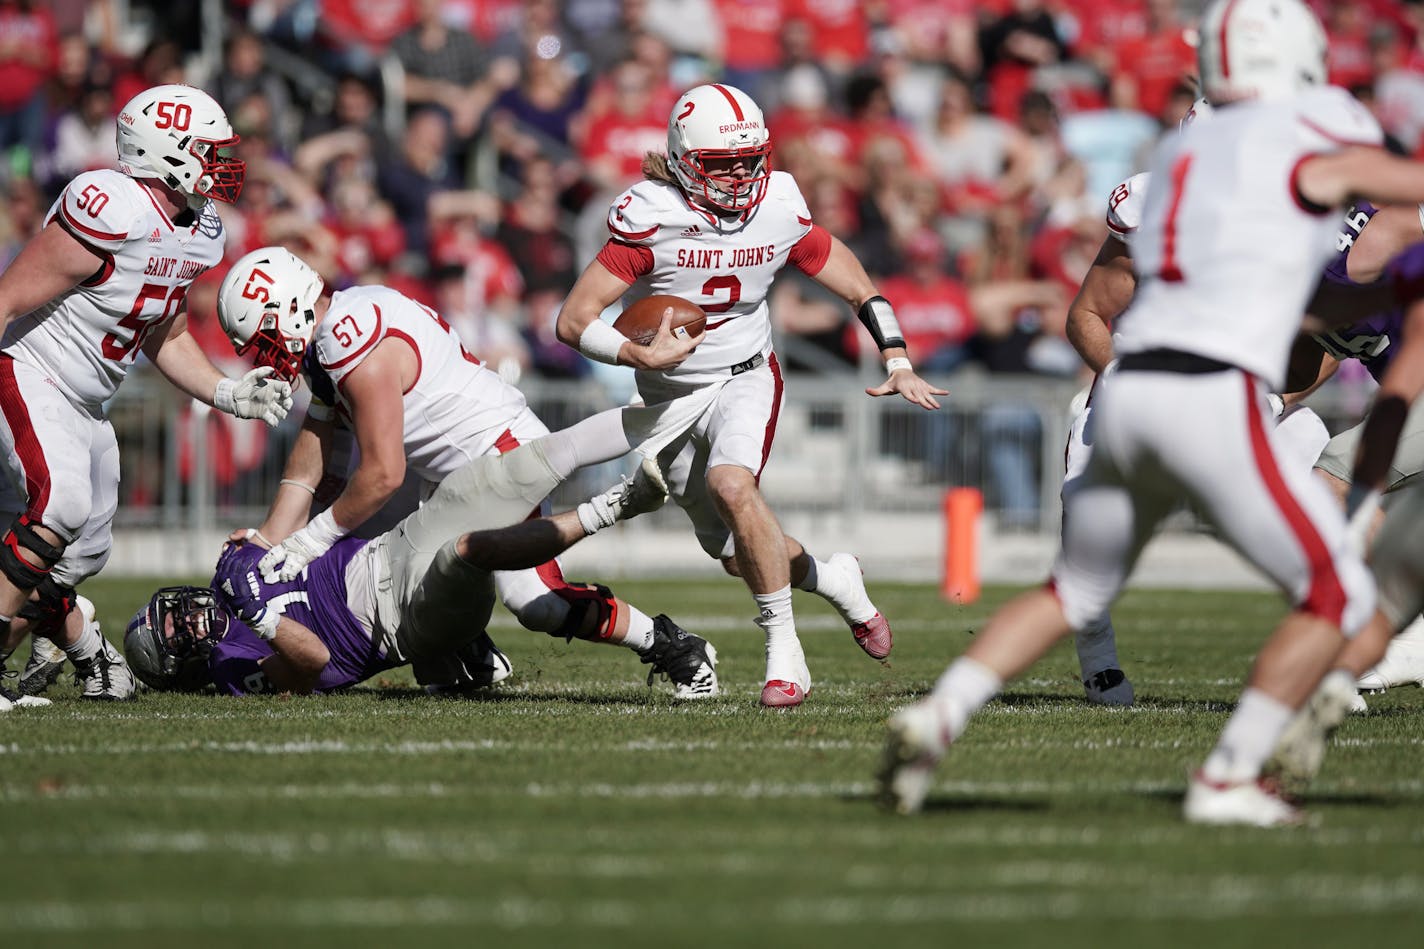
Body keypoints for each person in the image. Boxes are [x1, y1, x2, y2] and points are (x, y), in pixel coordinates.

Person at [879, 0, 1424, 826]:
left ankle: (941, 711)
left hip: (1125, 392)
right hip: (1214, 390)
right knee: (1340, 593)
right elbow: (1391, 195)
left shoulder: (1177, 160)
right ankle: (1229, 773)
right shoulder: (1303, 137)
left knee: (1075, 588)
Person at [554, 82, 946, 707]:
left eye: (748, 158)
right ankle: (834, 577)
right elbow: (574, 320)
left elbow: (856, 285)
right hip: (668, 398)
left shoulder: (780, 204)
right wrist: (635, 352)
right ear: (685, 158)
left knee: (733, 485)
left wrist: (896, 356)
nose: (739, 175)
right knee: (740, 555)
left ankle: (785, 656)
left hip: (745, 374)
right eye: (721, 163)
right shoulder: (651, 215)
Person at [215, 246, 718, 698]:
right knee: (409, 590)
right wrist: (268, 543)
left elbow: (383, 474)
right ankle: (471, 655)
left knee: (535, 601)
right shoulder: (339, 329)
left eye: (263, 336)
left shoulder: (347, 341)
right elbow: (312, 468)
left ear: (289, 307)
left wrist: (309, 541)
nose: (265, 353)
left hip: (494, 449)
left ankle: (672, 645)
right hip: (452, 475)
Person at [0, 84, 292, 709]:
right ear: (168, 151)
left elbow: (165, 330)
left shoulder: (199, 230)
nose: (222, 164)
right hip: (29, 369)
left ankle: (82, 645)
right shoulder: (109, 204)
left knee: (82, 552)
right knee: (62, 505)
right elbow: (9, 297)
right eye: (210, 150)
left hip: (86, 400)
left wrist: (226, 391)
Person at [124, 431, 690, 697]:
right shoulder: (230, 672)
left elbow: (268, 542)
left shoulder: (228, 586)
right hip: (399, 619)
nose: (187, 617)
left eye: (172, 612)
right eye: (174, 631)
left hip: (389, 549)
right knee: (469, 552)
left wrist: (255, 548)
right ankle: (618, 503)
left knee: (505, 473)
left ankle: (667, 412)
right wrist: (260, 617)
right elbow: (313, 662)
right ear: (181, 666)